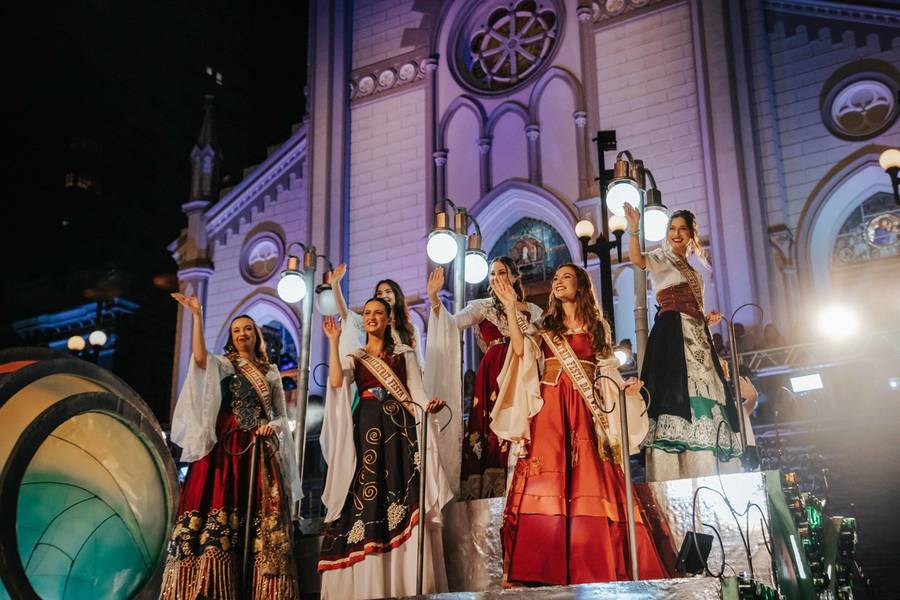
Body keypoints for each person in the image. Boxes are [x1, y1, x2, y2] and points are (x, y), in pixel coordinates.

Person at [491, 264, 668, 585]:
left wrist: (623, 392)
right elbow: (519, 352)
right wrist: (508, 306)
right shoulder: (544, 328)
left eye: (566, 277)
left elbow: (606, 375)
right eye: (555, 278)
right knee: (548, 481)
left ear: (581, 287)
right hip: (549, 411)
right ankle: (542, 567)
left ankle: (591, 563)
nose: (558, 282)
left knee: (589, 478)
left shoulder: (597, 327)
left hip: (585, 413)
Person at [161, 294, 300, 600]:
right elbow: (198, 358)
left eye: (248, 329)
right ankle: (209, 584)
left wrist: (271, 427)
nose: (242, 334)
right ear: (231, 337)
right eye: (237, 330)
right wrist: (196, 315)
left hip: (257, 447)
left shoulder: (271, 373)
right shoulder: (224, 365)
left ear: (256, 335)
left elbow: (280, 415)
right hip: (226, 445)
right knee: (218, 501)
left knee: (257, 516)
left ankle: (259, 586)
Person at [317, 298, 453, 599]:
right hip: (366, 433)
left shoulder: (403, 354)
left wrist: (427, 409)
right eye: (367, 313)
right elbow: (337, 382)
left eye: (378, 313)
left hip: (399, 433)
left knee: (401, 493)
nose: (372, 317)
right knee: (368, 494)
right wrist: (334, 342)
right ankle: (371, 576)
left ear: (389, 319)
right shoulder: (356, 356)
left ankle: (404, 579)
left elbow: (416, 393)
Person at [624, 204, 742, 481]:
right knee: (675, 387)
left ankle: (703, 452)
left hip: (697, 332)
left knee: (704, 389)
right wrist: (633, 229)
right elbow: (636, 259)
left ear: (691, 234)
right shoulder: (661, 257)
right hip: (672, 332)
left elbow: (694, 305)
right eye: (672, 229)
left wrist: (706, 317)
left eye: (682, 229)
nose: (676, 234)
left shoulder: (696, 272)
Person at [424, 258, 543, 500]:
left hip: (521, 368)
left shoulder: (533, 310)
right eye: (492, 273)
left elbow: (541, 343)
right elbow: (451, 323)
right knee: (488, 426)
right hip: (493, 372)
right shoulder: (483, 306)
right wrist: (435, 299)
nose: (496, 277)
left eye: (502, 272)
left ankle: (523, 483)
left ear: (515, 277)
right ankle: (488, 491)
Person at [331, 263, 424, 368]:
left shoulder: (411, 329)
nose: (383, 296)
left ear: (397, 296)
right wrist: (335, 284)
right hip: (378, 378)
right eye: (379, 293)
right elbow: (346, 315)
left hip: (405, 380)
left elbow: (419, 361)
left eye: (388, 292)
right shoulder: (373, 323)